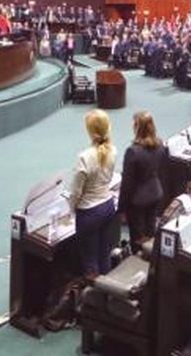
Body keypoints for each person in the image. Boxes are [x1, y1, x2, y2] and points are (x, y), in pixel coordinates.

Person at [69, 109, 117, 280]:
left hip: (89, 212)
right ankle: (108, 292)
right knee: (104, 254)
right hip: (108, 206)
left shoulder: (84, 157)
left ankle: (93, 301)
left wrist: (71, 209)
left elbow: (76, 191)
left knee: (90, 262)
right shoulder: (113, 150)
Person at [118, 111, 168, 253]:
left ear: (137, 127)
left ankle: (137, 260)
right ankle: (150, 257)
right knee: (150, 229)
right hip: (156, 193)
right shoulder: (161, 145)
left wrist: (121, 209)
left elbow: (127, 184)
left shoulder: (133, 151)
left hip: (138, 201)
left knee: (137, 236)